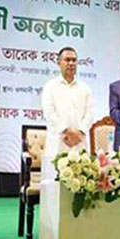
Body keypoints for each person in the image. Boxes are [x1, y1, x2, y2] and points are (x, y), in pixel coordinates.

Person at [41, 47, 93, 176]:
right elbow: (49, 112)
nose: (71, 63)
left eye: (74, 60)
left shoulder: (85, 88)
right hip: (59, 141)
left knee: (79, 181)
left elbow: (90, 113)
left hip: (79, 142)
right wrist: (67, 131)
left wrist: (79, 132)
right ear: (59, 63)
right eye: (67, 60)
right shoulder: (50, 87)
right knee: (55, 181)